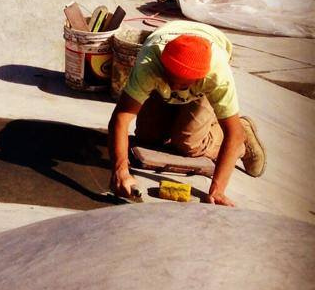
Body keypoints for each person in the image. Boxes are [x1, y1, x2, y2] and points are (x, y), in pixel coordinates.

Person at [108, 21, 265, 206]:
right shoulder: (149, 64)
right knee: (148, 136)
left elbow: (233, 134)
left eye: (182, 85)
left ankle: (244, 135)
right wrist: (121, 171)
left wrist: (217, 190)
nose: (175, 87)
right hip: (167, 61)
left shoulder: (216, 75)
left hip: (202, 84)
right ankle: (181, 116)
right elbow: (120, 117)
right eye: (171, 79)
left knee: (187, 143)